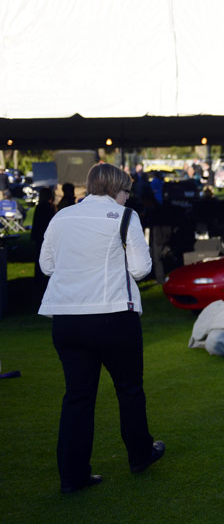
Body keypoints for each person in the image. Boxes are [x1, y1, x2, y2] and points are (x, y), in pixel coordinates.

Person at [38, 162, 165, 493]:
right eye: (126, 191)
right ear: (117, 189)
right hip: (112, 316)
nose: (127, 198)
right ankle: (140, 454)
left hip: (66, 320)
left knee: (77, 398)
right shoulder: (125, 217)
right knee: (129, 390)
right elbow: (140, 270)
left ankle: (72, 475)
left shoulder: (62, 216)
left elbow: (47, 265)